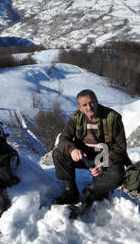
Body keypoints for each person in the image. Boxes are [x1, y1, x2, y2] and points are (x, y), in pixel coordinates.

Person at [53, 89, 131, 219]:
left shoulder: (113, 117)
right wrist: (72, 149)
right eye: (84, 105)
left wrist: (103, 164)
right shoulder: (76, 118)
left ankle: (91, 192)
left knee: (118, 174)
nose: (89, 107)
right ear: (80, 107)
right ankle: (70, 192)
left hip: (105, 155)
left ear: (96, 101)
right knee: (58, 154)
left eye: (92, 103)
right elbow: (63, 139)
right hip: (84, 156)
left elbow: (120, 147)